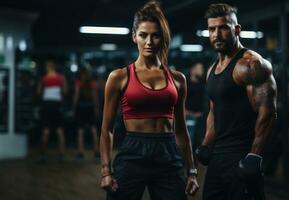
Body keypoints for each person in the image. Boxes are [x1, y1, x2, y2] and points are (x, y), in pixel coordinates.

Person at [99, 1, 199, 200]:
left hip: (168, 153)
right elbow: (106, 129)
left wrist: (192, 171)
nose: (149, 41)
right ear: (134, 36)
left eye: (155, 35)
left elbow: (181, 129)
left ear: (162, 38)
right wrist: (106, 171)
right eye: (143, 35)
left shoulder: (178, 79)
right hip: (133, 152)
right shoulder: (119, 77)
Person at [195, 3, 277, 200]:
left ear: (236, 29)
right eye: (212, 29)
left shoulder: (251, 64)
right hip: (219, 158)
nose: (216, 34)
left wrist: (255, 155)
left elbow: (267, 113)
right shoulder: (212, 69)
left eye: (223, 27)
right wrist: (207, 143)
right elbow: (215, 111)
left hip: (243, 154)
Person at [37, 59, 67, 161]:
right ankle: (62, 155)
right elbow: (65, 91)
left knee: (46, 130)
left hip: (46, 105)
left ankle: (42, 155)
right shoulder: (60, 78)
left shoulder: (44, 78)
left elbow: (38, 92)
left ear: (47, 68)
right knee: (59, 130)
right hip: (57, 105)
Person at [73, 67, 100, 161]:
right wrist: (96, 109)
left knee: (80, 131)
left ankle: (80, 153)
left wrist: (74, 108)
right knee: (93, 130)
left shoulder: (78, 82)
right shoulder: (92, 83)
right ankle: (96, 153)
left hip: (81, 107)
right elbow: (95, 97)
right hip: (91, 107)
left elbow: (76, 96)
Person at [185, 62, 205, 151]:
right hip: (188, 116)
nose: (201, 71)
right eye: (199, 69)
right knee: (189, 140)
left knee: (198, 140)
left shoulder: (202, 85)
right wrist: (185, 112)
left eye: (202, 69)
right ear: (192, 70)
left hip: (200, 116)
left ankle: (195, 162)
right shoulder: (185, 83)